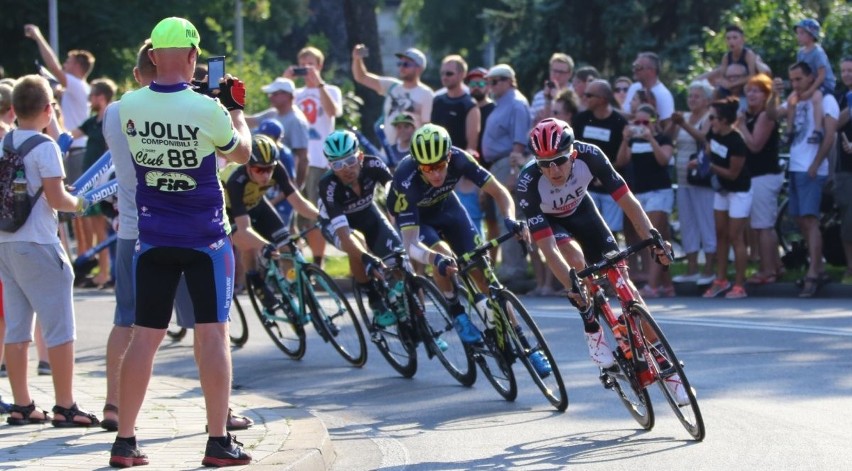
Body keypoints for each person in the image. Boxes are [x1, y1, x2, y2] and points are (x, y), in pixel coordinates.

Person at [109, 17, 252, 468]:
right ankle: (217, 441)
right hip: (206, 239)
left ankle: (125, 441)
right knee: (212, 335)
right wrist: (234, 110)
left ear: (153, 56)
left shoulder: (125, 107)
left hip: (153, 238)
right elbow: (241, 152)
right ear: (193, 58)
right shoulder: (206, 109)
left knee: (145, 338)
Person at [518, 118, 687, 404]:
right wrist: (572, 285)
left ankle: (669, 374)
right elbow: (548, 249)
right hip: (552, 225)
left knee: (627, 287)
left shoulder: (590, 155)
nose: (553, 170)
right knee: (575, 261)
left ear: (572, 154)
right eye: (544, 164)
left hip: (583, 213)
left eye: (559, 161)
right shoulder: (528, 183)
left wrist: (654, 238)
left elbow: (627, 200)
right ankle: (591, 323)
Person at [388, 124, 542, 374]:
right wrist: (434, 258)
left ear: (449, 156)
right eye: (428, 168)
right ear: (418, 165)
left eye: (439, 165)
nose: (436, 174)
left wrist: (510, 219)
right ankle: (456, 311)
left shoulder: (461, 158)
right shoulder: (406, 181)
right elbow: (412, 245)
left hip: (448, 209)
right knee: (443, 256)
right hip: (418, 221)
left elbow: (499, 192)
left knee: (485, 276)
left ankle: (524, 342)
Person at [0, 75, 98, 428]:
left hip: (6, 243)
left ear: (13, 109)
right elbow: (59, 200)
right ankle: (65, 405)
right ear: (47, 109)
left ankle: (22, 404)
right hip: (39, 243)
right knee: (60, 329)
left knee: (17, 328)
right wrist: (80, 202)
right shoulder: (45, 147)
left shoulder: (4, 143)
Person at [316, 130, 404, 327]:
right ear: (330, 166)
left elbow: (392, 189)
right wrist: (366, 257)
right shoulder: (328, 185)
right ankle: (373, 297)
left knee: (402, 261)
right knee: (357, 246)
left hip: (367, 212)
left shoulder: (373, 164)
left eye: (349, 160)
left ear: (360, 156)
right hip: (336, 224)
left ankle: (421, 324)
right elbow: (344, 235)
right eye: (337, 164)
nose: (346, 168)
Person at [221, 134, 319, 308]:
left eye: (269, 169)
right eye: (260, 170)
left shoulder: (277, 168)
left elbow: (298, 202)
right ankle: (255, 281)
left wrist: (323, 217)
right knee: (249, 247)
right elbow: (244, 229)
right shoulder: (236, 180)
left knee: (286, 244)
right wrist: (264, 245)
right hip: (229, 213)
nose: (266, 175)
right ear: (248, 166)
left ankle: (292, 283)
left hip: (257, 204)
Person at [775, 61, 839, 297]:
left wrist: (815, 163)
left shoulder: (825, 99)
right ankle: (818, 267)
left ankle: (814, 271)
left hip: (812, 169)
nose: (795, 84)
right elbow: (773, 114)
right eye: (792, 80)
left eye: (799, 79)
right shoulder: (796, 99)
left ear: (812, 77)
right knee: (800, 219)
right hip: (796, 166)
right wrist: (775, 94)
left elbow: (830, 134)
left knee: (810, 220)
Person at [284, 46, 343, 268]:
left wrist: (319, 84)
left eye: (311, 64)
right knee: (294, 215)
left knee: (315, 214)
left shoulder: (330, 89)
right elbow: (278, 107)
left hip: (319, 160)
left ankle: (318, 262)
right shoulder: (295, 94)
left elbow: (334, 111)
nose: (306, 69)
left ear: (320, 66)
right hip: (296, 160)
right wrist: (285, 80)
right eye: (303, 65)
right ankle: (296, 261)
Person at [615, 104, 675, 297]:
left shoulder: (662, 138)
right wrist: (625, 139)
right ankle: (667, 285)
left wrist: (651, 139)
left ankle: (652, 285)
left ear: (653, 122)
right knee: (661, 239)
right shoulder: (633, 141)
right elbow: (621, 161)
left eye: (644, 122)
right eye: (637, 122)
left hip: (659, 192)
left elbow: (664, 160)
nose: (641, 126)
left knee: (651, 238)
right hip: (640, 193)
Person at [23, 24, 94, 183]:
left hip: (75, 150)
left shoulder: (77, 85)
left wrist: (38, 37)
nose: (64, 65)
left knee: (73, 199)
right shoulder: (78, 88)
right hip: (73, 149)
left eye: (68, 62)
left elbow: (53, 66)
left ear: (77, 66)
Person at [480, 64, 531, 280]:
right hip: (497, 165)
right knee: (503, 219)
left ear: (510, 80)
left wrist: (513, 173)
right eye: (489, 81)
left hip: (508, 164)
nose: (491, 85)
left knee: (509, 218)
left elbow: (519, 142)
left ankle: (514, 271)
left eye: (496, 80)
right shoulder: (502, 103)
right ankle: (511, 269)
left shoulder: (517, 103)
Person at [700, 97, 751, 299]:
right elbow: (708, 150)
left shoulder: (737, 141)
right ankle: (720, 280)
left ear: (723, 120)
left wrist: (709, 167)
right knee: (720, 234)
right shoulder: (714, 133)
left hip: (739, 191)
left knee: (735, 236)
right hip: (722, 190)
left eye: (713, 117)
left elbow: (733, 174)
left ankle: (740, 284)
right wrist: (702, 161)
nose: (710, 120)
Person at [69, 78, 117, 288]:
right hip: (89, 180)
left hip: (102, 180)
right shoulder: (92, 121)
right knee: (90, 227)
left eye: (93, 95)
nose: (90, 99)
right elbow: (72, 135)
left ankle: (104, 273)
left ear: (102, 97)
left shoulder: (110, 119)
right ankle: (98, 271)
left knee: (101, 229)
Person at [737, 74, 784, 285]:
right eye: (749, 91)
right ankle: (776, 266)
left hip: (765, 176)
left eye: (756, 90)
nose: (751, 95)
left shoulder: (765, 116)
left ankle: (768, 271)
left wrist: (741, 126)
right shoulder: (749, 115)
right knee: (761, 225)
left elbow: (755, 145)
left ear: (766, 95)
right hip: (756, 177)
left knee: (763, 226)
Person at [669, 80, 717, 285]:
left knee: (706, 223)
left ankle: (709, 269)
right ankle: (691, 268)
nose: (692, 100)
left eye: (697, 96)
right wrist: (674, 123)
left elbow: (704, 137)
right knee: (687, 225)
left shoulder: (709, 116)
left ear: (707, 100)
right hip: (682, 179)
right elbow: (669, 138)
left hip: (701, 179)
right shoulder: (685, 117)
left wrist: (683, 124)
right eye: (690, 96)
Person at [351, 44, 433, 145]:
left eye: (406, 64)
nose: (402, 67)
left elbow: (427, 127)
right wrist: (357, 59)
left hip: (411, 152)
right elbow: (361, 77)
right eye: (400, 63)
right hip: (387, 151)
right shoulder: (392, 86)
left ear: (419, 68)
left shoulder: (426, 93)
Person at [791, 18, 837, 145]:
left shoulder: (818, 52)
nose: (798, 36)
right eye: (798, 33)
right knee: (792, 98)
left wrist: (810, 91)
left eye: (802, 33)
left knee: (816, 97)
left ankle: (817, 131)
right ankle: (789, 129)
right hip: (809, 83)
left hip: (824, 84)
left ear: (811, 35)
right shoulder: (800, 53)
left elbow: (822, 75)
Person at [697, 25, 763, 95]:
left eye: (735, 38)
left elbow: (752, 76)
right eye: (728, 39)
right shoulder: (726, 57)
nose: (731, 41)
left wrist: (733, 84)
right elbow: (722, 76)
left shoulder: (748, 55)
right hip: (730, 88)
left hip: (746, 87)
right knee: (715, 91)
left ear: (743, 39)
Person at [623, 52, 675, 132]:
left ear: (651, 71)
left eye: (638, 67)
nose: (634, 70)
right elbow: (625, 114)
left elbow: (667, 127)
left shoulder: (664, 95)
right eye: (634, 66)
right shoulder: (634, 87)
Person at [836, 57, 852, 285]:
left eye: (851, 70)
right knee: (848, 222)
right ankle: (850, 269)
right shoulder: (840, 98)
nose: (847, 74)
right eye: (844, 71)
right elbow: (833, 125)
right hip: (846, 170)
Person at [530, 53, 575, 123]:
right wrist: (538, 117)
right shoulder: (539, 96)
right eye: (554, 71)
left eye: (561, 72)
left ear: (570, 74)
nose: (557, 75)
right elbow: (530, 123)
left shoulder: (575, 95)